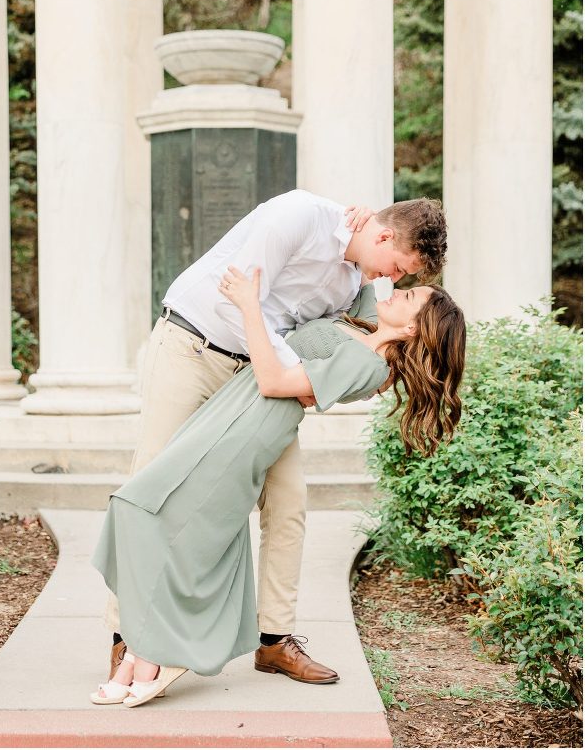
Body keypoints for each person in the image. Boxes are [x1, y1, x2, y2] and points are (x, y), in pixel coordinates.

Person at [105, 190, 448, 685]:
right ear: (383, 235)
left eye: (403, 277)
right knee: (148, 486)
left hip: (259, 384)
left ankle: (274, 641)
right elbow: (239, 298)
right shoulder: (298, 217)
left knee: (289, 500)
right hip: (193, 350)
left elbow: (361, 339)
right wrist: (291, 378)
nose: (391, 279)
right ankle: (126, 639)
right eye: (395, 266)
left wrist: (306, 380)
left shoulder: (358, 279)